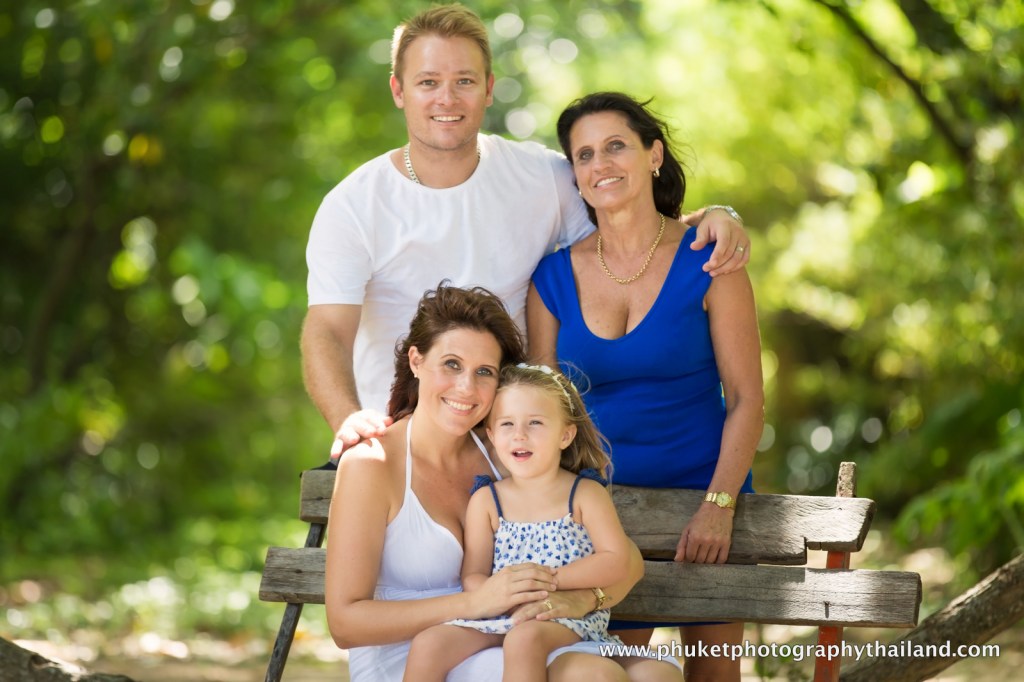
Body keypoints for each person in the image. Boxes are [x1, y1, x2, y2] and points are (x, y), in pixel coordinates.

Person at [300, 3, 752, 458]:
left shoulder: (541, 178)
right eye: (428, 82)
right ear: (399, 90)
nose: (447, 98)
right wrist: (348, 418)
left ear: (489, 88)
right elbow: (328, 331)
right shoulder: (354, 205)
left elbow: (630, 227)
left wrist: (713, 215)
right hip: (400, 446)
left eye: (464, 81)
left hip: (512, 457)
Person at [526, 92, 765, 681]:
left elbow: (747, 399)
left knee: (714, 675)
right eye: (584, 155)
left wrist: (718, 506)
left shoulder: (710, 260)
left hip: (705, 500)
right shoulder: (551, 277)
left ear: (653, 155)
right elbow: (541, 415)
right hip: (600, 516)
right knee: (617, 670)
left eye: (616, 146)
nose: (601, 164)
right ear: (575, 176)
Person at [325, 282, 660, 682]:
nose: (466, 388)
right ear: (416, 361)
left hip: (509, 636)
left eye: (484, 372)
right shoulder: (373, 463)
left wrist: (585, 599)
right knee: (587, 675)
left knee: (651, 675)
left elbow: (629, 562)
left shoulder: (507, 453)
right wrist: (475, 602)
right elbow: (345, 624)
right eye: (451, 364)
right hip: (410, 655)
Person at [403, 363, 683, 681]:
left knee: (525, 638)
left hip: (564, 615)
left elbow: (616, 560)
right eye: (507, 423)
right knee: (430, 643)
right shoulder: (487, 500)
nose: (519, 434)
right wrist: (497, 595)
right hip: (500, 614)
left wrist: (548, 582)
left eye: (535, 422)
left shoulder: (584, 493)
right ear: (491, 435)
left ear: (565, 435)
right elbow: (473, 575)